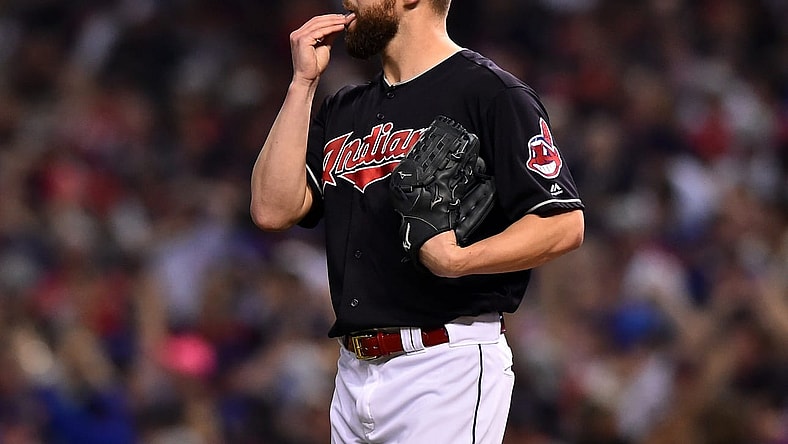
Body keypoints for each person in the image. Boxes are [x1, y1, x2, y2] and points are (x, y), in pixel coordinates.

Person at [250, 0, 585, 442]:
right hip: (354, 371)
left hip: (444, 365)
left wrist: (459, 261)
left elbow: (563, 223)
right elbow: (272, 209)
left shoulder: (490, 93)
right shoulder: (344, 107)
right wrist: (302, 84)